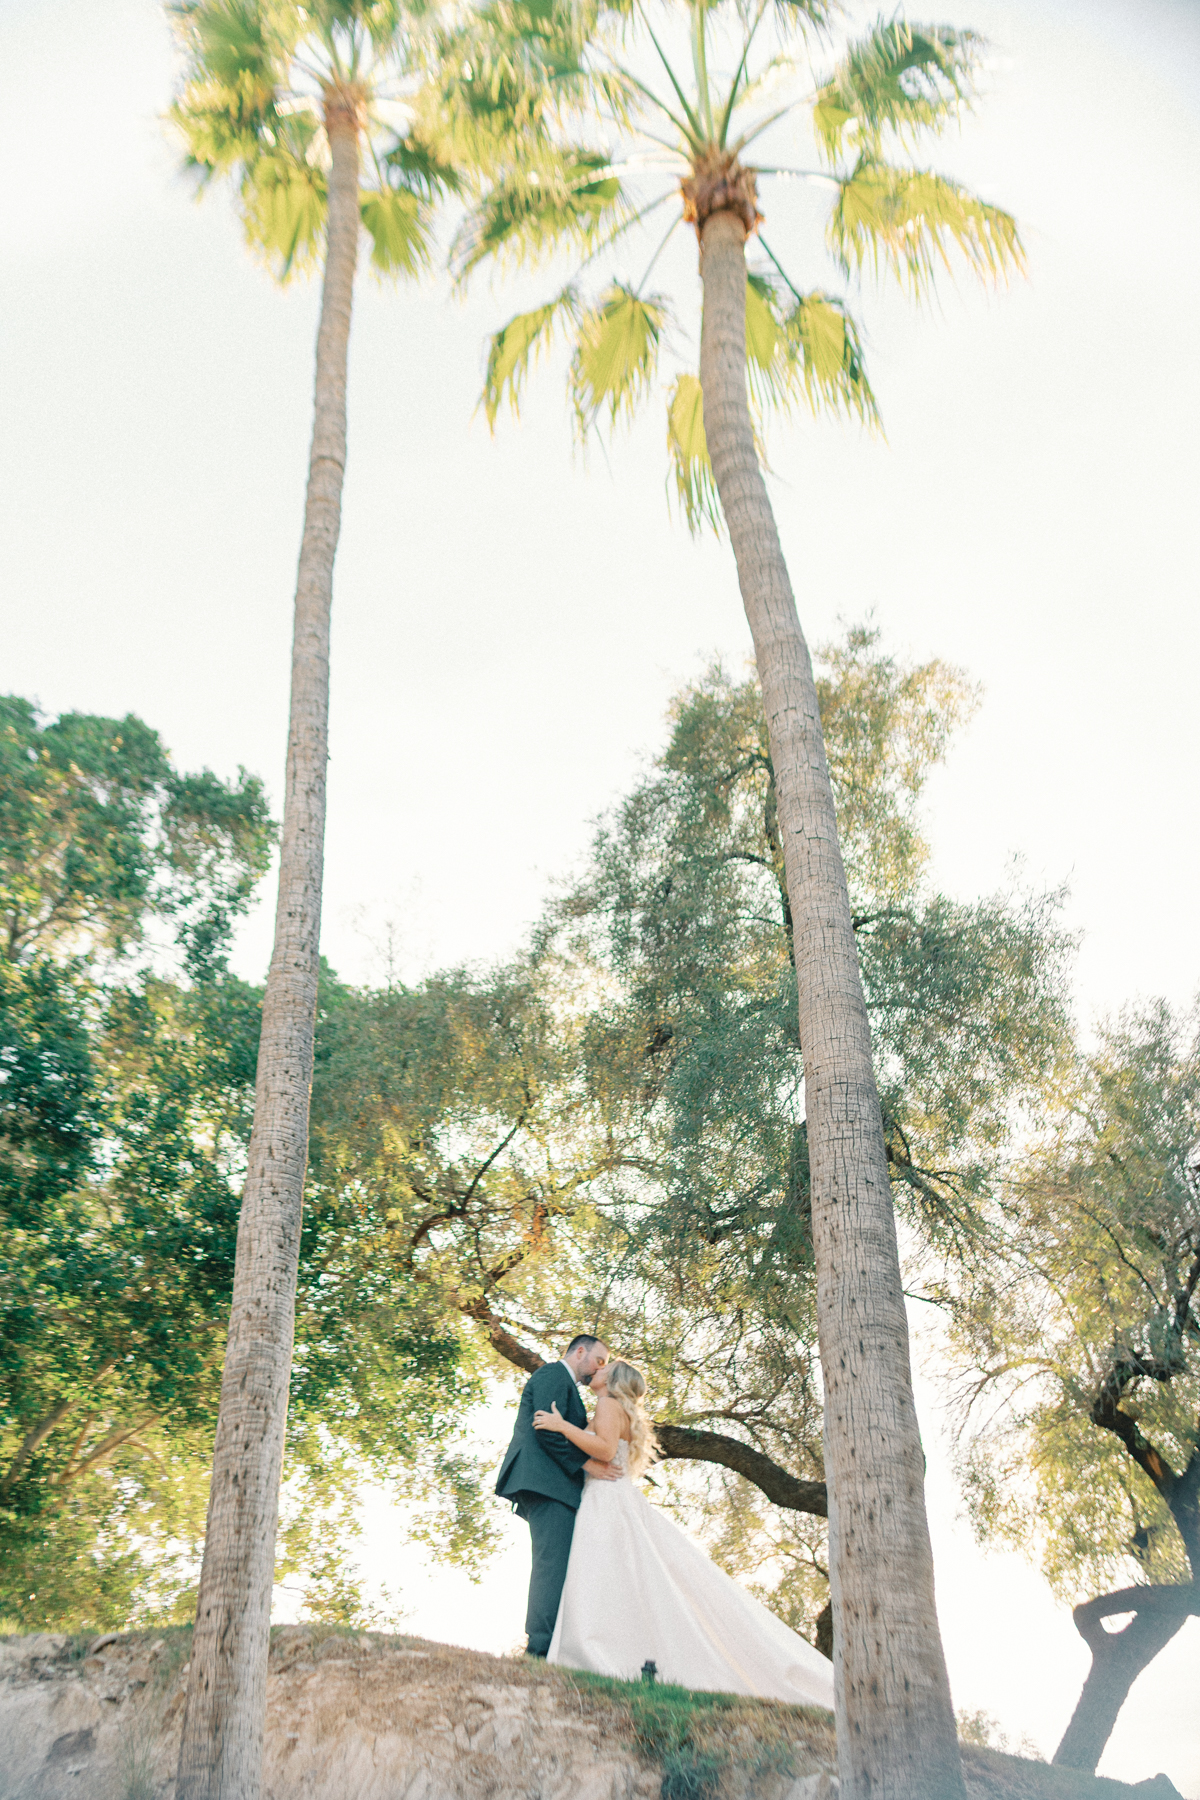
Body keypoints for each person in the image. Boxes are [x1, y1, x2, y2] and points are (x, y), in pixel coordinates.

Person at [532, 1357, 835, 1709]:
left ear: (613, 1381)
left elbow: (604, 1449)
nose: (597, 1369)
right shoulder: (615, 1407)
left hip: (606, 1499)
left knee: (601, 1575)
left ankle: (593, 1650)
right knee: (618, 1577)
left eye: (605, 1367)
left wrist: (561, 1426)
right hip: (612, 1495)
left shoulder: (607, 1404)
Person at [494, 1334, 622, 1657]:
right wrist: (587, 1464)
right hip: (547, 1483)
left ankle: (551, 1646)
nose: (599, 1369)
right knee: (551, 1565)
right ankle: (539, 1647)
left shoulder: (570, 1389)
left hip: (554, 1485)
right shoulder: (553, 1374)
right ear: (580, 1352)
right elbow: (546, 1430)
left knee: (556, 1564)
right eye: (599, 1361)